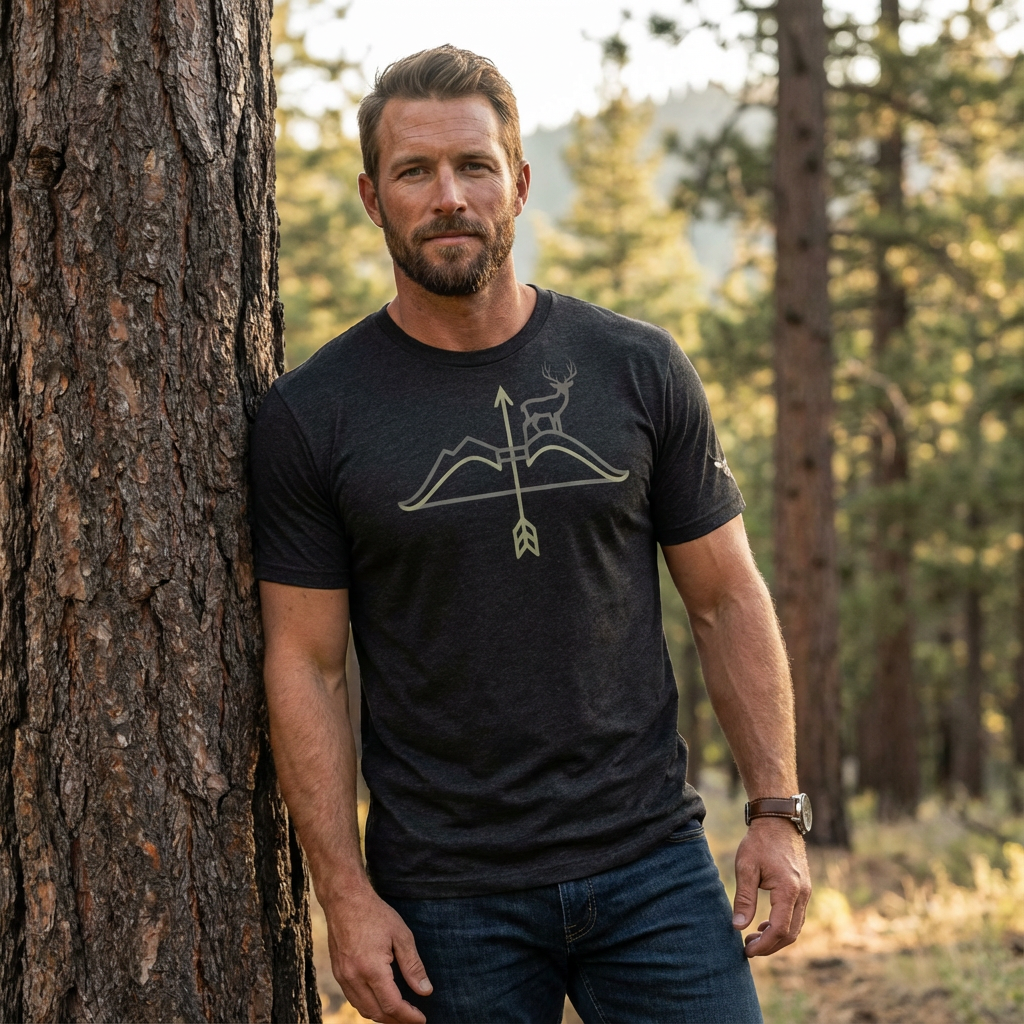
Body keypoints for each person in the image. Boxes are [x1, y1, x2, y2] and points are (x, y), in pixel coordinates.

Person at [250, 45, 811, 1024]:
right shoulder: (315, 414)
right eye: (414, 172)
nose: (448, 196)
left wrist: (776, 809)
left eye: (472, 166)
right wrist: (343, 892)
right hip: (444, 895)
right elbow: (308, 665)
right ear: (372, 197)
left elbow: (725, 598)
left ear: (516, 180)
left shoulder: (635, 368)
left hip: (651, 868)